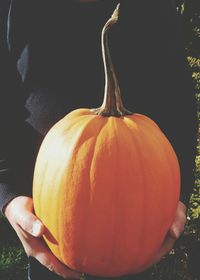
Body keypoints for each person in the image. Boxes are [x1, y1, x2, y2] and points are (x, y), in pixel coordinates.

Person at [0, 0, 197, 279]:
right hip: (49, 225)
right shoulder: (14, 7)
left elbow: (178, 107)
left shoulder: (153, 8)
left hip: (136, 224)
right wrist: (8, 196)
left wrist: (179, 199)